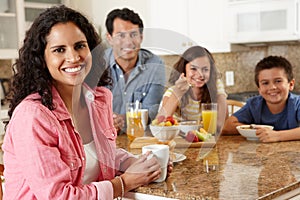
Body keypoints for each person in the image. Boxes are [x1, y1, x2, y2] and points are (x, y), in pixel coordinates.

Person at [2, 5, 172, 199]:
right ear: (41, 59)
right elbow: (58, 196)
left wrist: (144, 164)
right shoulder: (33, 116)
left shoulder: (98, 99)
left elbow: (101, 154)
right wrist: (124, 183)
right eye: (59, 50)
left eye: (80, 46)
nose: (74, 57)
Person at [105, 8, 166, 133]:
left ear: (141, 37)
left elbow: (152, 111)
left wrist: (123, 120)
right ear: (109, 38)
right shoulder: (96, 65)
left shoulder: (155, 65)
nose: (128, 42)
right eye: (121, 35)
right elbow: (87, 108)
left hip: (140, 138)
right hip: (103, 139)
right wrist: (107, 120)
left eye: (134, 34)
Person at [222, 55, 300, 142]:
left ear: (291, 84)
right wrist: (256, 130)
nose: (272, 87)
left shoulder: (297, 104)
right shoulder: (254, 105)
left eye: (278, 81)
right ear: (259, 88)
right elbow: (227, 126)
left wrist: (277, 136)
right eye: (265, 83)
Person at [157, 46, 227, 133]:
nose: (200, 74)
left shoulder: (216, 85)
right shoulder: (173, 92)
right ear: (184, 70)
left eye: (205, 69)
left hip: (206, 139)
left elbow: (221, 123)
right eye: (193, 69)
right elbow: (159, 124)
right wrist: (177, 93)